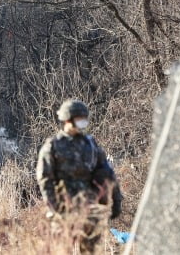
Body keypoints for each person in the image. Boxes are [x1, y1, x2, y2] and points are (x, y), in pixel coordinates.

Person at [36, 99, 122, 254]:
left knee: (88, 250)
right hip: (63, 208)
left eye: (84, 118)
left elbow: (107, 173)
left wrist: (116, 199)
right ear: (67, 120)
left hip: (88, 207)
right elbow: (45, 179)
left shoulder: (90, 144)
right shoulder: (53, 146)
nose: (83, 122)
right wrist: (54, 206)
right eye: (79, 118)